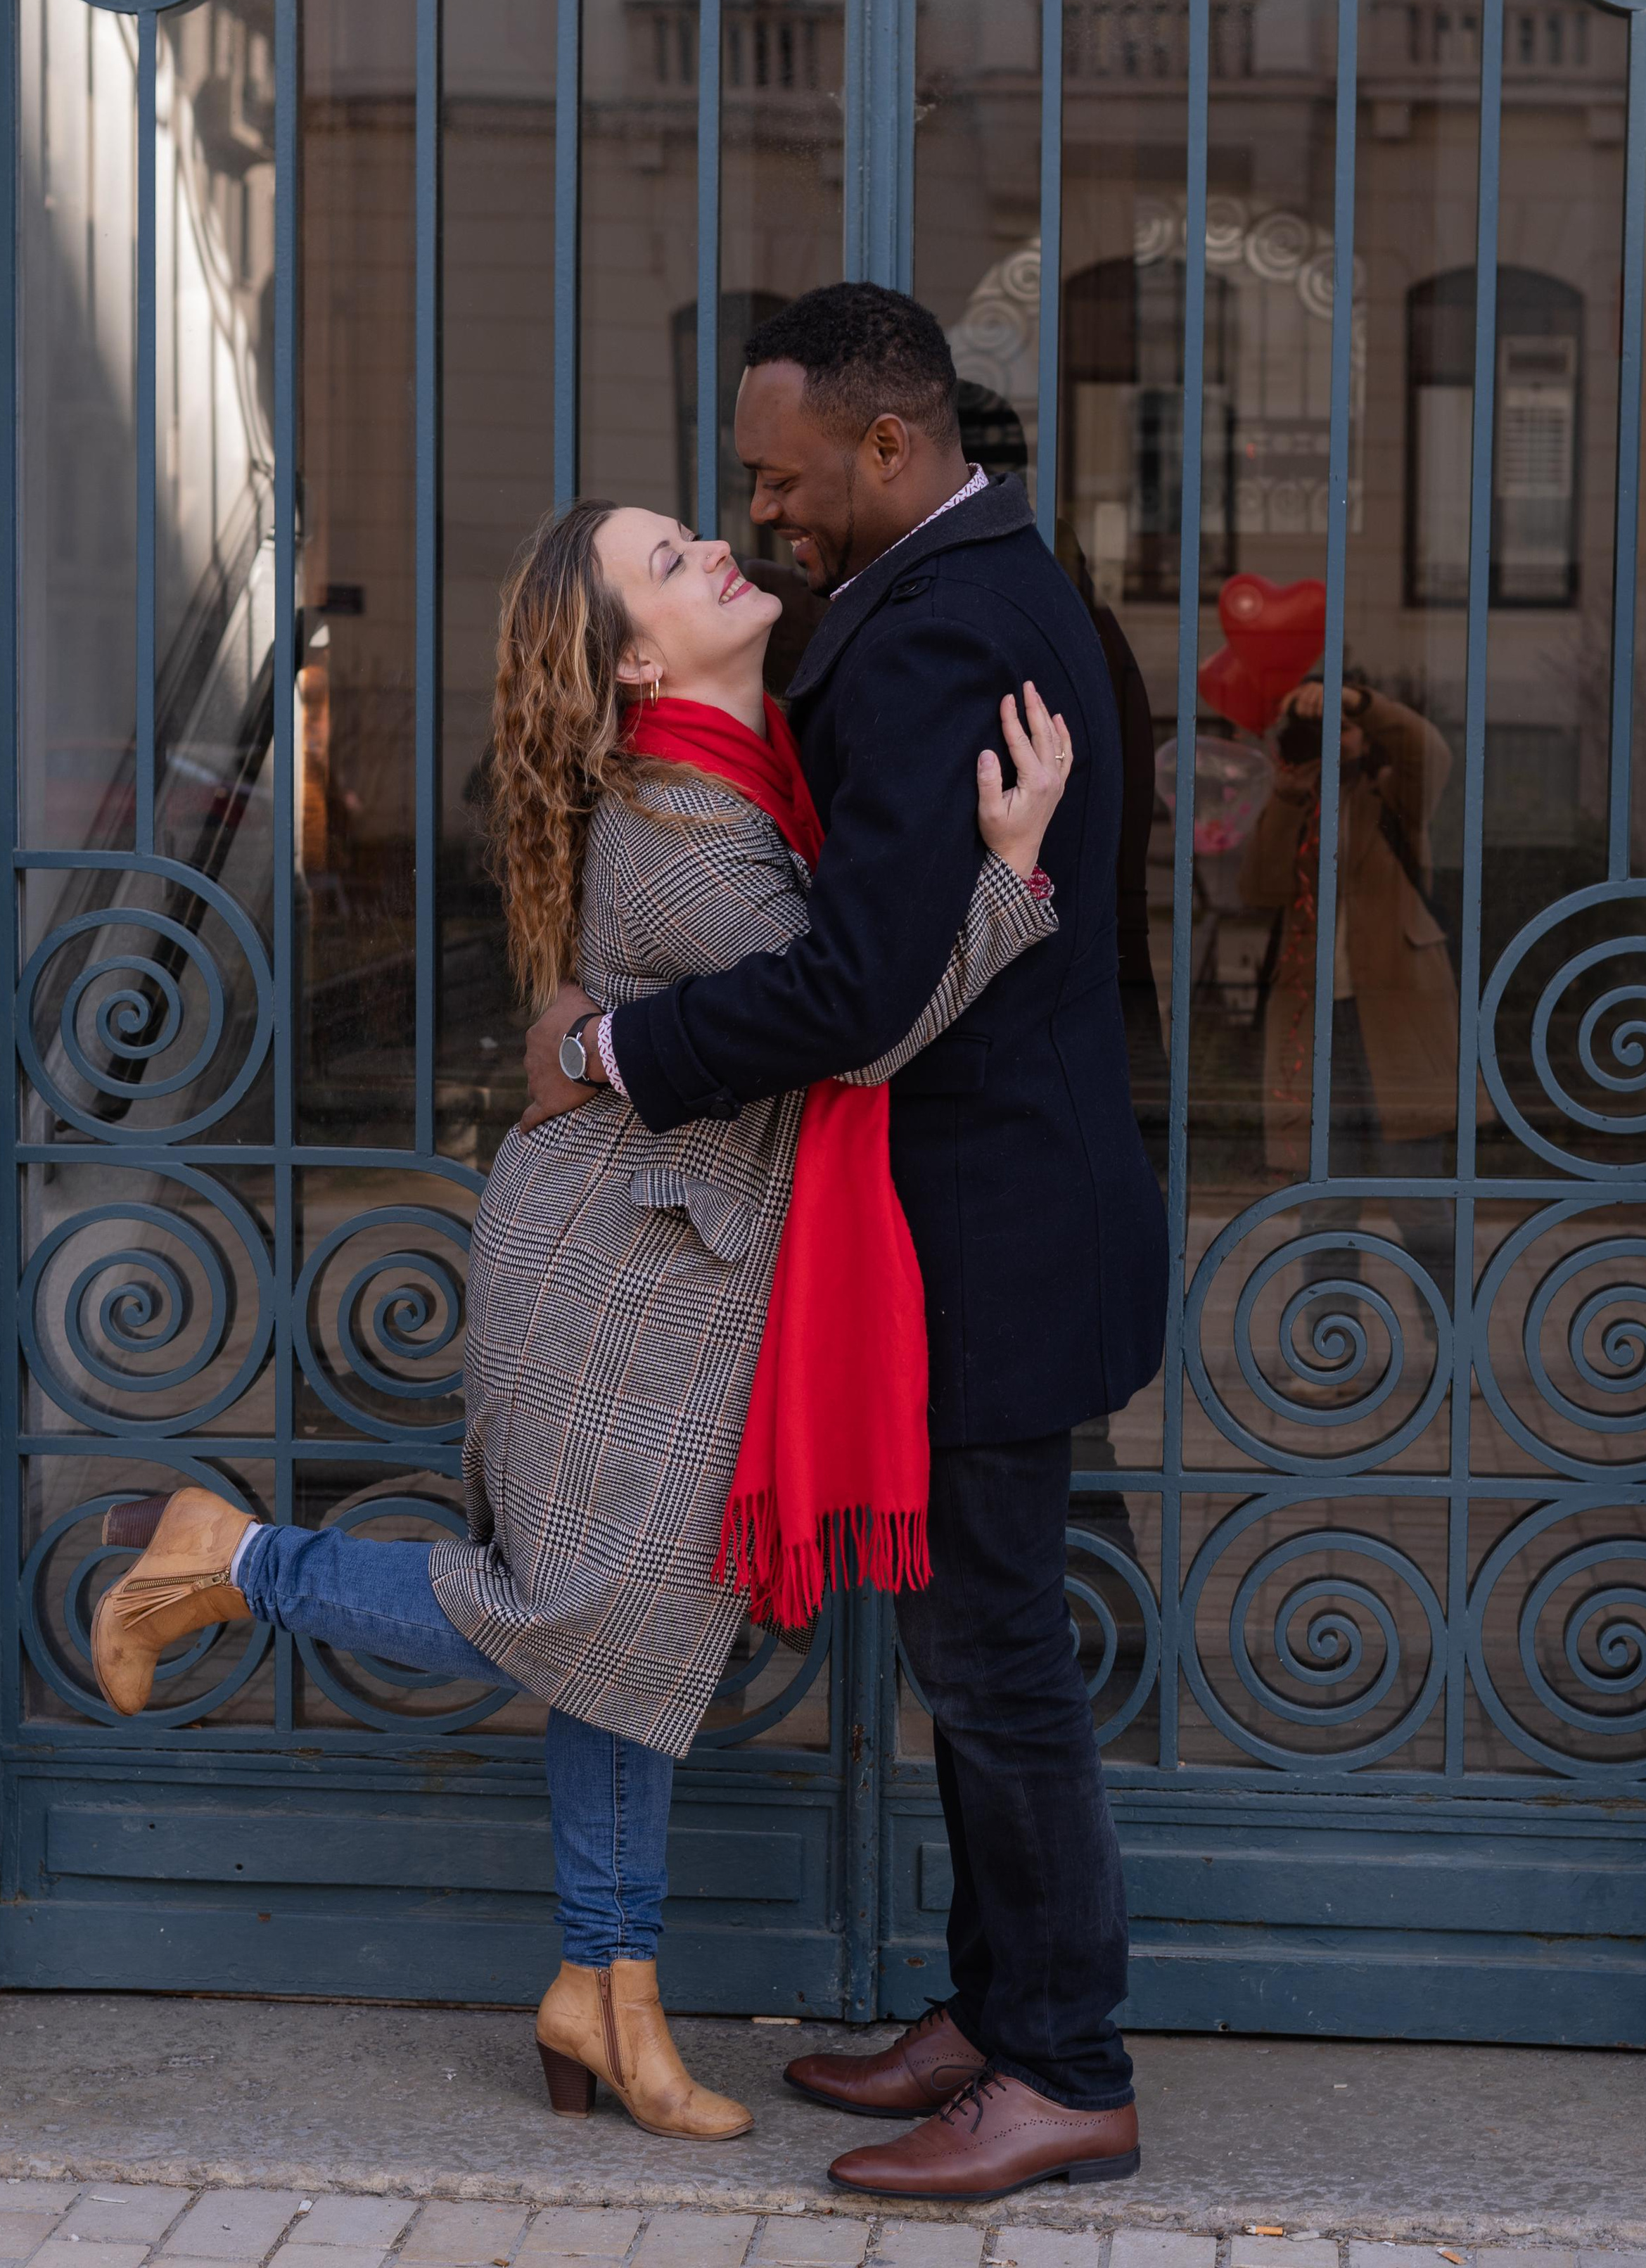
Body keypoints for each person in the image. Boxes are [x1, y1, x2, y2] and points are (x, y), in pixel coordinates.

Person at [89, 494, 1070, 2146]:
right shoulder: (684, 827)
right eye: (664, 559)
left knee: (618, 1646)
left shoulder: (748, 777)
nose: (706, 550)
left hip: (655, 1259)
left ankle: (602, 1994)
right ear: (630, 653)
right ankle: (227, 1559)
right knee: (584, 1614)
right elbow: (855, 1023)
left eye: (691, 532)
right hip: (624, 1273)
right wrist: (1011, 866)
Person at [523, 282, 1170, 2200]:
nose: (766, 513)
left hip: (990, 1235)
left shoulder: (938, 632)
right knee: (984, 1655)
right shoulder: (947, 592)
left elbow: (861, 994)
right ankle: (995, 2008)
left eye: (780, 477)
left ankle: (1065, 2066)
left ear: (890, 446)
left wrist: (620, 1046)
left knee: (1001, 1672)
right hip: (989, 1224)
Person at [1239, 677, 1459, 1289]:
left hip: (1397, 1023)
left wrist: (1355, 700)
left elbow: (1428, 751)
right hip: (1317, 1027)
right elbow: (1258, 888)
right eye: (1323, 730)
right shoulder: (1295, 802)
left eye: (1346, 727)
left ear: (1367, 734)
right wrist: (1286, 793)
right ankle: (1328, 1356)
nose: (1335, 740)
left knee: (1420, 1206)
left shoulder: (1395, 798)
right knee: (1326, 1206)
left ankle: (1455, 1348)